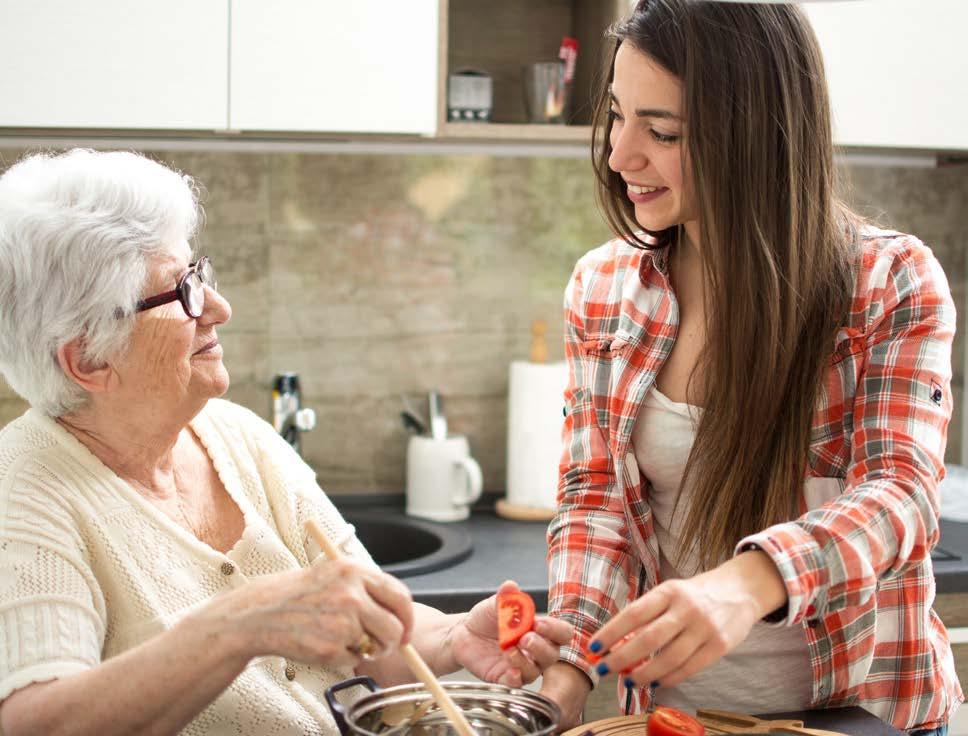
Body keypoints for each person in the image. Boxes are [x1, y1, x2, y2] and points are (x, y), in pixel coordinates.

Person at [0, 148, 573, 736]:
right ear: (89, 359)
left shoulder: (241, 437)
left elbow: (372, 634)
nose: (219, 308)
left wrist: (455, 637)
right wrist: (240, 624)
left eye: (198, 276)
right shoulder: (25, 494)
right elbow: (33, 724)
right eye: (182, 295)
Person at [538, 1, 963, 734]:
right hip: (684, 721)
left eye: (662, 130)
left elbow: (901, 499)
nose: (619, 154)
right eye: (616, 114)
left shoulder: (889, 283)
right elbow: (596, 507)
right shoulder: (603, 291)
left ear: (756, 135)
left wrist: (747, 583)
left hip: (863, 715)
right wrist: (565, 674)